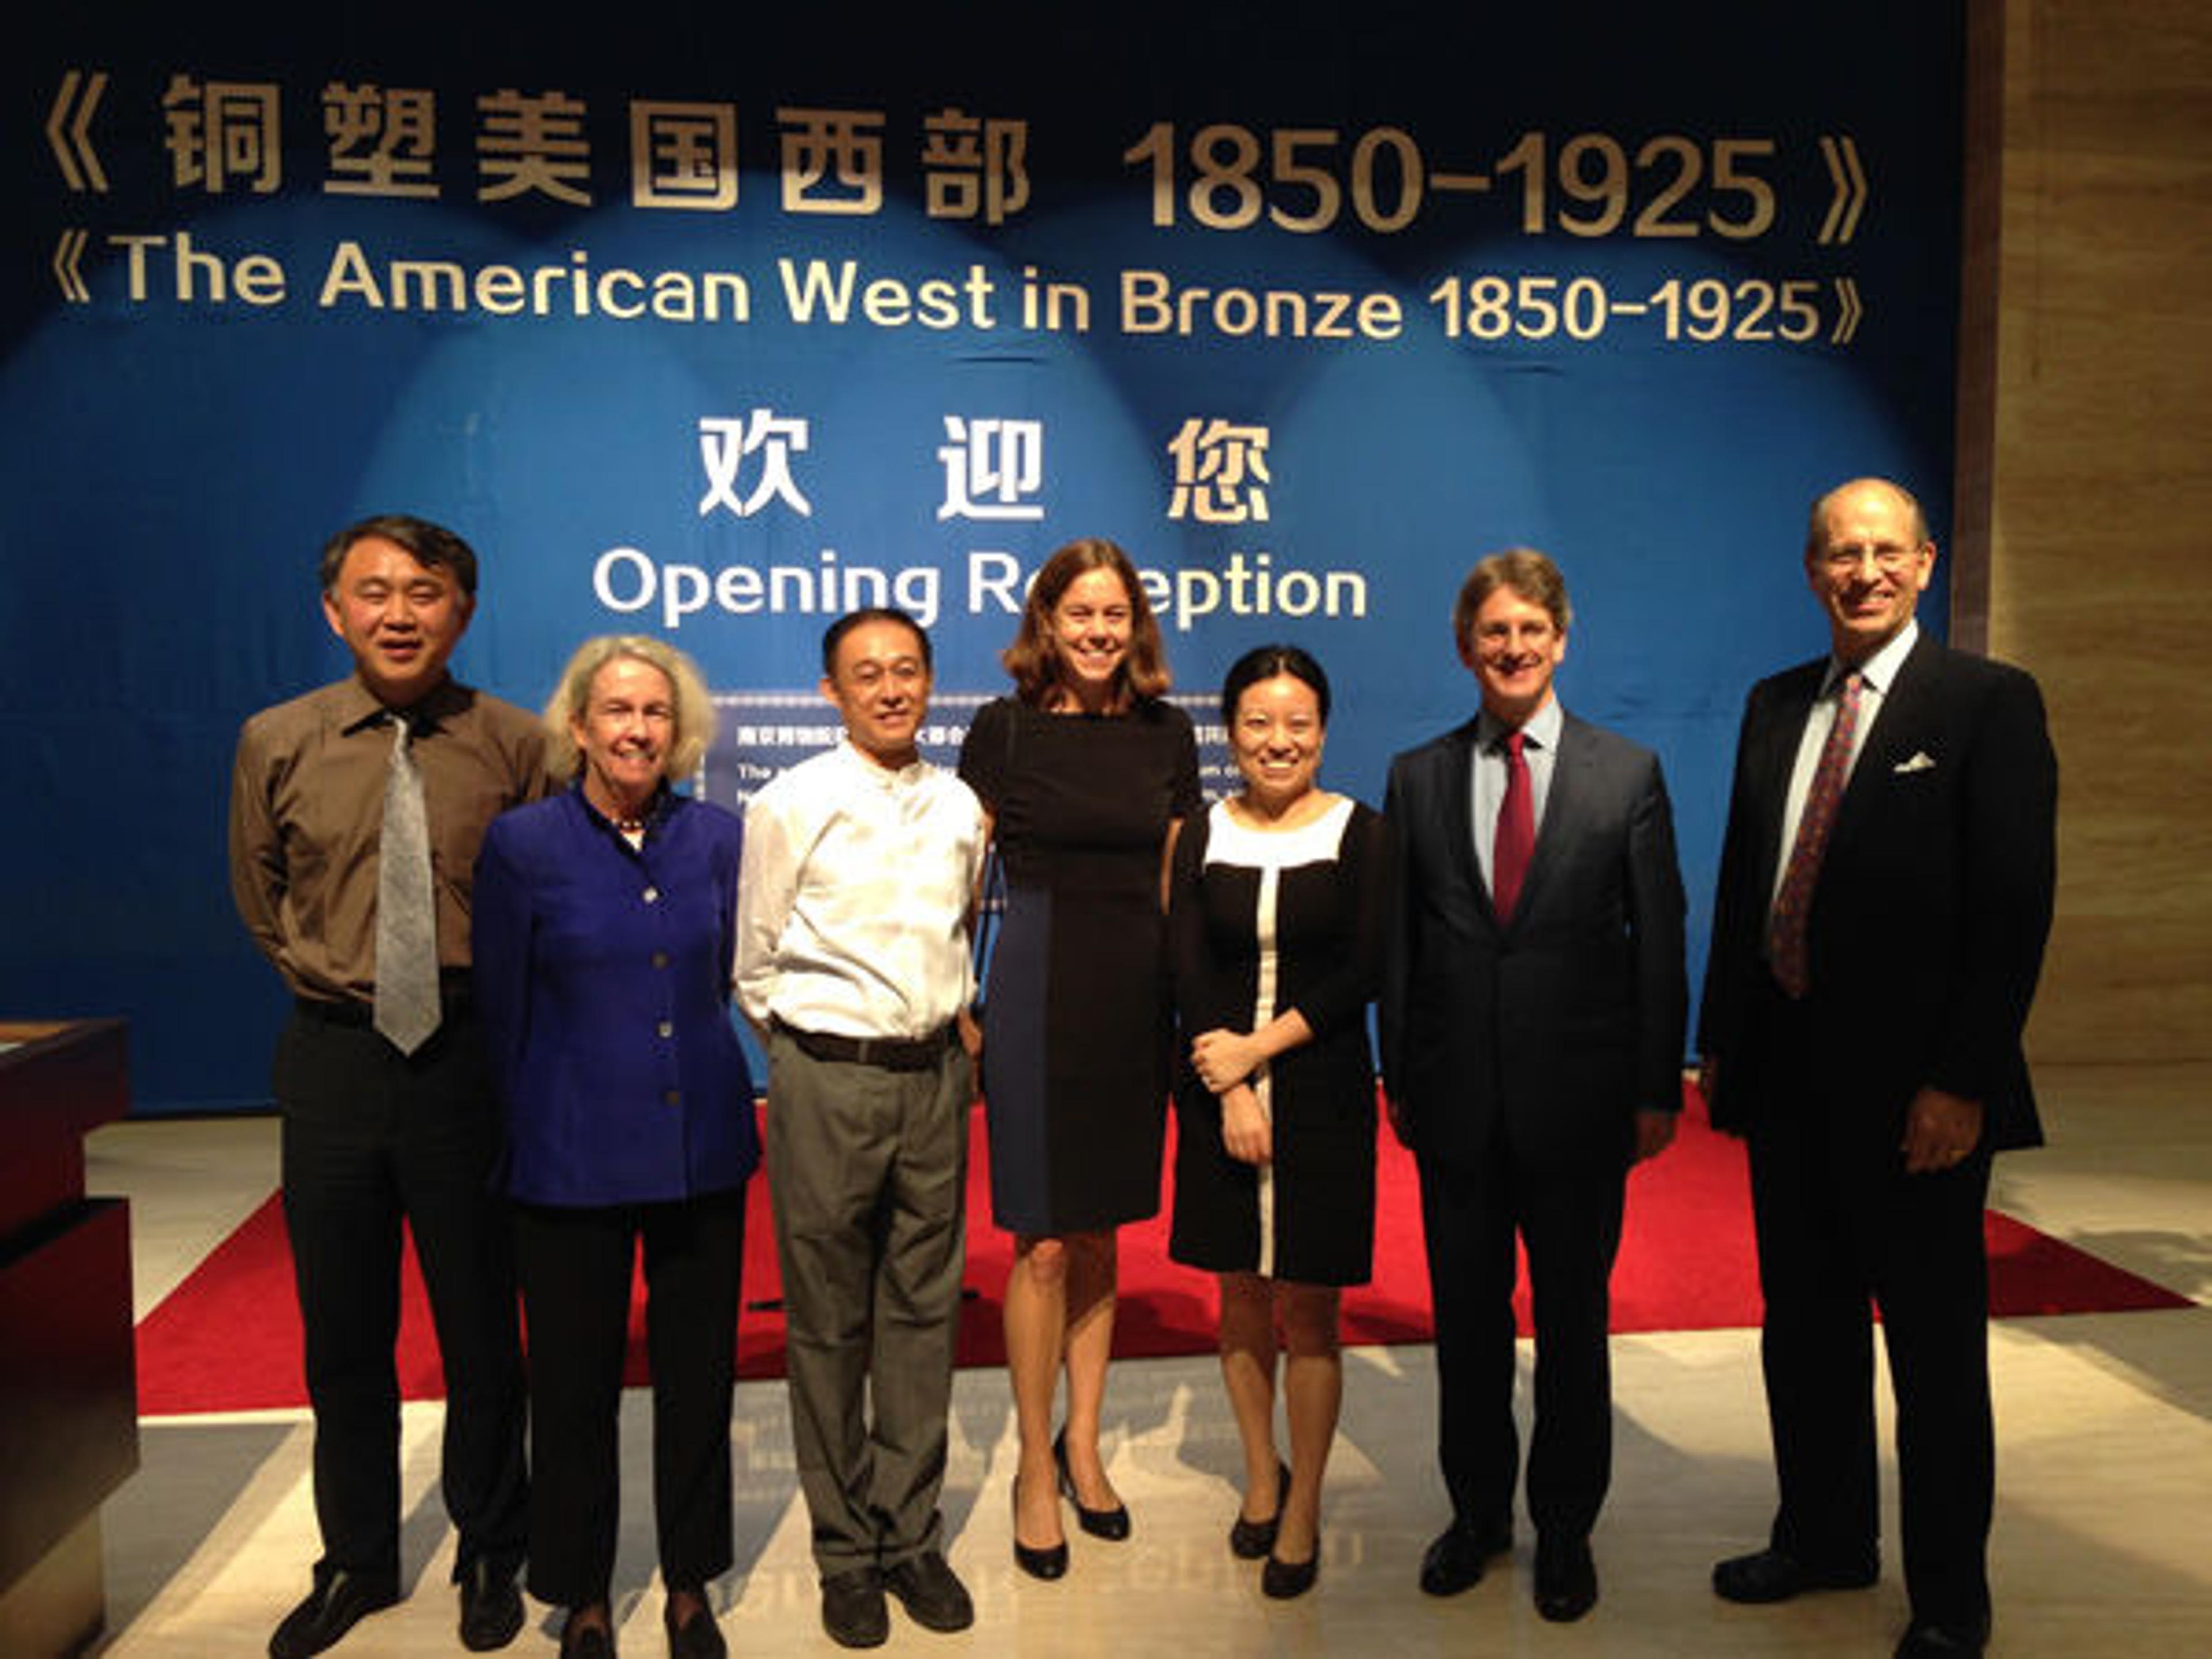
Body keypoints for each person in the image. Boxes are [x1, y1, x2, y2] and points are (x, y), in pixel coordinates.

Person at [1698, 478, 2057, 1659]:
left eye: (1885, 552)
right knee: (1803, 1333)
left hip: (1921, 1109)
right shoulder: (1773, 704)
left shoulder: (1987, 704)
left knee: (1935, 1355)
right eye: (1841, 554)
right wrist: (1724, 1061)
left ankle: (1952, 1599)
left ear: (1926, 563)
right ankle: (1824, 1538)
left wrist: (1962, 1082)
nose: (1864, 571)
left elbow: (2013, 913)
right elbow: (1751, 891)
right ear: (1811, 570)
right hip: (1791, 1089)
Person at [229, 513, 547, 1658]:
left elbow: (541, 910)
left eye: (425, 593)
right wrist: (336, 984)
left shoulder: (517, 744)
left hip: (467, 1058)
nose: (399, 614)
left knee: (480, 1331)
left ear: (463, 611)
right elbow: (260, 899)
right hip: (333, 1057)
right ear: (334, 611)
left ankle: (492, 1551)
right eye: (374, 593)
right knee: (343, 1334)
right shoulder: (277, 739)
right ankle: (357, 1559)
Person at [1379, 548, 1687, 1623]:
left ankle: (1565, 1529)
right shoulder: (1418, 775)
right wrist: (1399, 1075)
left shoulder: (1627, 772)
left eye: (1532, 631)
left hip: (1582, 1107)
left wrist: (1658, 1086)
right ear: (1467, 647)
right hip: (1456, 1104)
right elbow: (1403, 945)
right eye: (1493, 632)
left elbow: (1659, 941)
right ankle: (1475, 1519)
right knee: (1466, 1329)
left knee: (1572, 1328)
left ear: (1563, 641)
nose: (1513, 649)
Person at [472, 636, 757, 1659]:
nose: (638, 730)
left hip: (700, 1152)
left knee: (697, 1383)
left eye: (657, 714)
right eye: (618, 711)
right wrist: (514, 1147)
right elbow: (501, 1015)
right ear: (580, 725)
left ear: (681, 733)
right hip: (567, 1158)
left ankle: (689, 1586)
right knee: (574, 1387)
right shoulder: (524, 845)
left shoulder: (720, 838)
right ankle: (581, 1593)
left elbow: (727, 974)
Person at [735, 609, 987, 1649]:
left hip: (937, 1079)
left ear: (931, 681)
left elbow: (962, 929)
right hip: (826, 1080)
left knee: (923, 1317)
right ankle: (845, 1554)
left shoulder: (964, 805)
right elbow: (754, 961)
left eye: (908, 671)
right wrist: (812, 1059)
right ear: (831, 691)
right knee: (830, 1321)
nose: (891, 689)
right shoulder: (793, 803)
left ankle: (910, 1537)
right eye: (866, 675)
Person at [956, 537, 1201, 1579]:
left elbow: (1176, 879)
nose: (1100, 632)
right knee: (1043, 1244)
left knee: (1102, 1235)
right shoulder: (1001, 732)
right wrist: (961, 1003)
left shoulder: (1166, 733)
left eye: (1117, 615)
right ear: (1045, 622)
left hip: (1134, 994)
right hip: (1034, 990)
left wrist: (1190, 1008)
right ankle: (1032, 1468)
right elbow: (959, 880)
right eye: (1080, 614)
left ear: (1135, 626)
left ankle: (1086, 1445)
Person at [1167, 645, 1388, 1601]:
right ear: (1230, 732)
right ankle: (1263, 1480)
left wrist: (1260, 1054)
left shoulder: (1363, 833)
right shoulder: (1198, 834)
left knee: (1309, 1307)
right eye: (1258, 723)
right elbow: (1188, 967)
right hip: (1216, 1086)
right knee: (1240, 1297)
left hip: (1327, 1091)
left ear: (1324, 731)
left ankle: (1305, 1509)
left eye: (1297, 723)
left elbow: (1366, 970)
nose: (1278, 741)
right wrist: (1231, 1084)